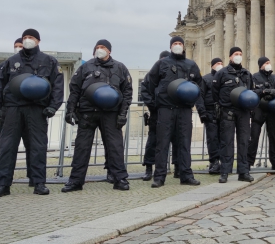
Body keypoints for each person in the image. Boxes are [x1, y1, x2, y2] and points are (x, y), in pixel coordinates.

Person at [0, 29, 64, 198]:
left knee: (38, 147)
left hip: (36, 109)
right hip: (12, 109)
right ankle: (3, 184)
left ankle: (39, 183)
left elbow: (58, 86)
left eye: (30, 37)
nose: (27, 40)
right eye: (25, 37)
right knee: (7, 147)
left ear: (38, 40)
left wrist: (53, 106)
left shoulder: (49, 61)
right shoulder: (11, 61)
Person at [61, 40, 133, 192]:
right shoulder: (85, 67)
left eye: (103, 47)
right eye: (97, 47)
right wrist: (70, 110)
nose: (100, 50)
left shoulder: (120, 68)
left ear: (109, 51)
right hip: (88, 112)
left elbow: (127, 92)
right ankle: (75, 181)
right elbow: (74, 89)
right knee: (82, 147)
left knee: (115, 147)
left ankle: (119, 179)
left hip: (111, 113)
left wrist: (122, 113)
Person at [143, 36, 202, 187]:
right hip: (165, 109)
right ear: (170, 46)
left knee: (184, 143)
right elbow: (148, 84)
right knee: (162, 144)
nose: (177, 45)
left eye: (179, 43)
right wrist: (154, 105)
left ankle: (186, 175)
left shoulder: (191, 64)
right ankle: (159, 177)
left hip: (184, 109)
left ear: (183, 46)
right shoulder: (162, 63)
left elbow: (199, 86)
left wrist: (192, 101)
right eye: (175, 43)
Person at [0, 38, 31, 190]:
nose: (19, 48)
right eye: (17, 46)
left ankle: (34, 178)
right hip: (8, 112)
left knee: (32, 147)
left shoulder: (32, 66)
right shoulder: (6, 64)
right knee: (1, 147)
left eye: (21, 46)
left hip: (29, 112)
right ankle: (0, 177)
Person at [212, 47, 255, 183]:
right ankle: (225, 172)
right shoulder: (222, 73)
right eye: (236, 54)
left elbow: (251, 90)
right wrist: (223, 104)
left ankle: (243, 171)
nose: (238, 56)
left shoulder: (247, 74)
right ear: (230, 57)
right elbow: (215, 92)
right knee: (227, 142)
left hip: (243, 111)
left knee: (244, 142)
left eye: (240, 54)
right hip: (228, 111)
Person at [140, 50, 171, 181]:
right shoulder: (151, 74)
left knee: (175, 141)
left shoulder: (172, 74)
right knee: (153, 141)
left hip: (171, 111)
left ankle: (178, 168)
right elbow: (144, 90)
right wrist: (153, 105)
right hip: (156, 112)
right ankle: (148, 168)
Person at [247, 57, 275, 171]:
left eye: (269, 62)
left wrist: (273, 92)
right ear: (261, 65)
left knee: (272, 137)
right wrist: (263, 92)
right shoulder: (255, 77)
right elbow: (251, 91)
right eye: (266, 63)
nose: (268, 64)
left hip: (271, 110)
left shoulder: (274, 77)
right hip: (259, 110)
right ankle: (249, 162)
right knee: (254, 136)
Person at [197, 57, 223, 175]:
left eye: (222, 63)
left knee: (224, 138)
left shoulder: (225, 78)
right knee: (212, 138)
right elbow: (200, 96)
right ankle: (214, 161)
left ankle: (224, 161)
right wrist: (202, 112)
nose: (220, 65)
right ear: (212, 65)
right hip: (210, 111)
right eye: (218, 63)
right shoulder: (206, 79)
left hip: (223, 112)